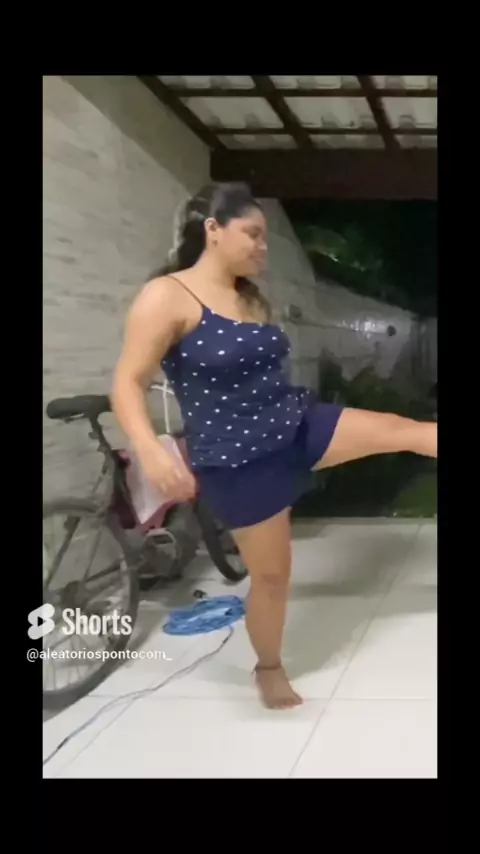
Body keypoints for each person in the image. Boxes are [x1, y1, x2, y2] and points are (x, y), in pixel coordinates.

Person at [111, 183, 437, 710]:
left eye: (265, 236)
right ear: (213, 230)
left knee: (402, 429)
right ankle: (269, 668)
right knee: (272, 578)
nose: (263, 247)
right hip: (240, 461)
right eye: (253, 234)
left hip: (295, 423)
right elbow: (128, 381)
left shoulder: (248, 297)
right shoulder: (167, 296)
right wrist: (149, 449)